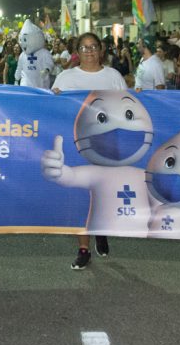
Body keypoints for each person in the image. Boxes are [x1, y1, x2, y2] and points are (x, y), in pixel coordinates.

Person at [47, 32, 129, 270]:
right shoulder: (66, 77)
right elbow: (50, 108)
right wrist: (55, 98)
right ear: (77, 51)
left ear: (101, 49)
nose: (89, 51)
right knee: (80, 196)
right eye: (84, 47)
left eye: (93, 46)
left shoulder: (113, 76)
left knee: (103, 192)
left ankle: (100, 230)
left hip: (107, 143)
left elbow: (127, 106)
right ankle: (83, 248)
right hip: (77, 145)